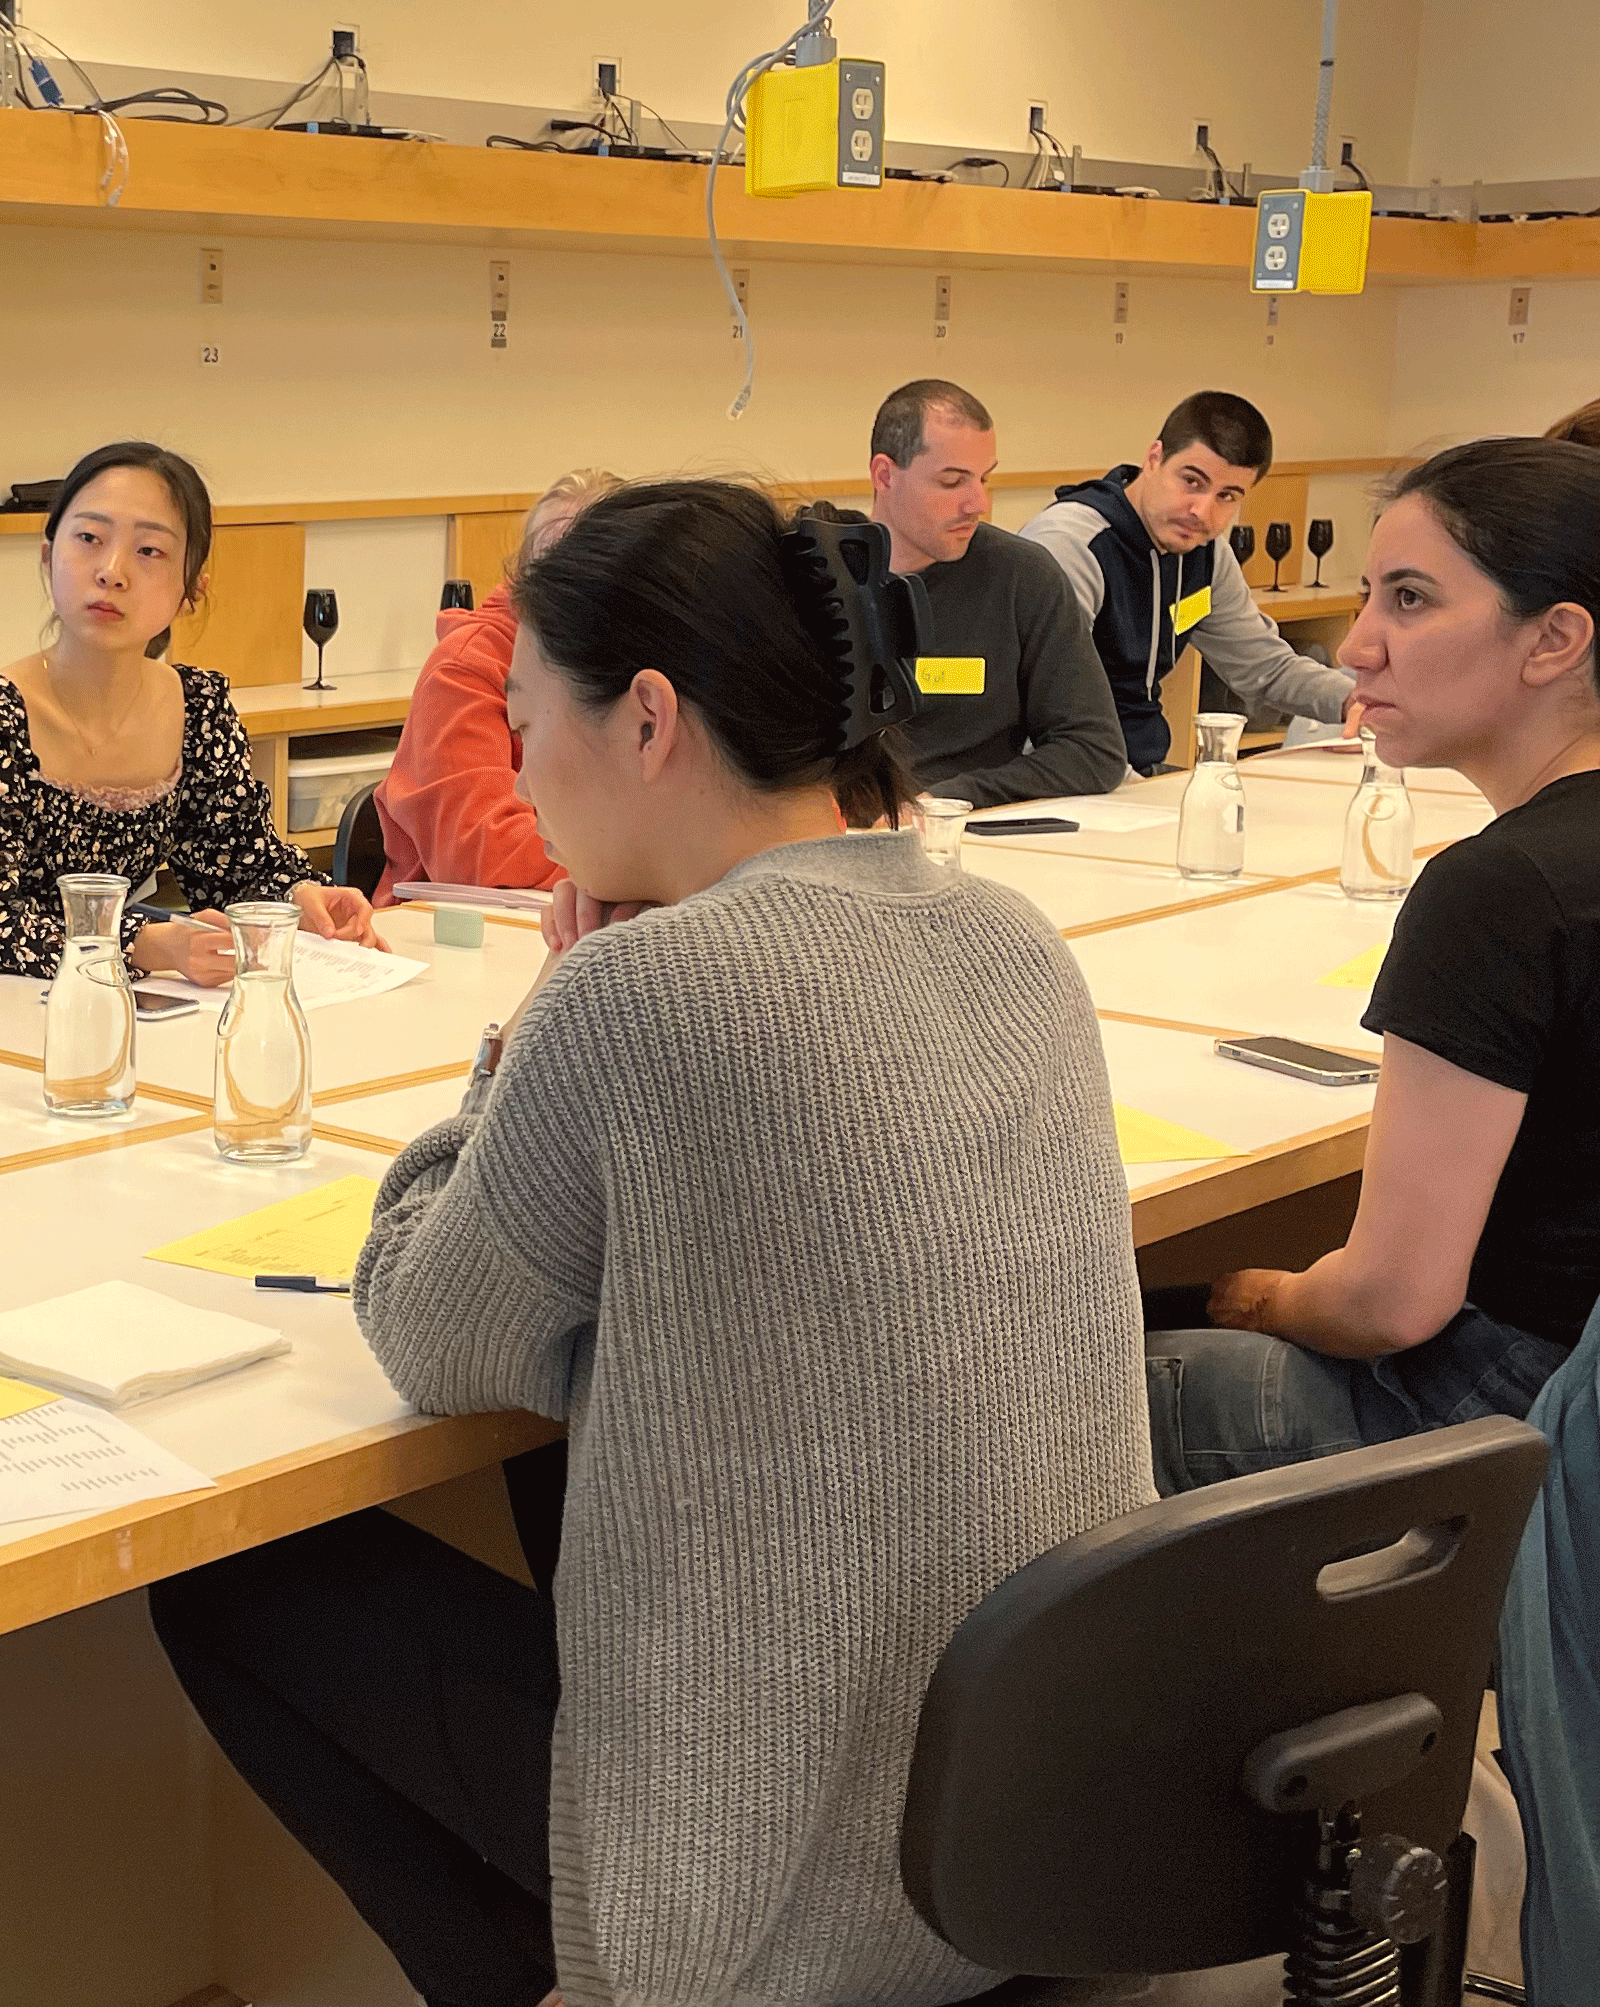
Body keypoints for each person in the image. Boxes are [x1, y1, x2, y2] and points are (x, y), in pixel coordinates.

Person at [148, 479, 1152, 2007]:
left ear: (650, 720)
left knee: (229, 1589)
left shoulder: (643, 996)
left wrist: (531, 1024)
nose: (522, 769)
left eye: (531, 718)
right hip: (1037, 1828)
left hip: (784, 1878)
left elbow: (426, 1322)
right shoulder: (1013, 938)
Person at [1147, 439, 1600, 1493]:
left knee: (1084, 1372)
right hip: (1570, 1391)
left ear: (1556, 640)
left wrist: (1254, 1294)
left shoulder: (1505, 890)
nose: (1356, 647)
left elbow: (1393, 1303)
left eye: (1408, 601)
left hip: (1503, 1422)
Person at [0, 441, 385, 981]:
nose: (112, 572)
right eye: (89, 539)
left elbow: (236, 861)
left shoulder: (197, 710)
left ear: (191, 591)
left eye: (149, 552)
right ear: (48, 558)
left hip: (125, 1004)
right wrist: (145, 945)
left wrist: (299, 896)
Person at [1021, 390, 1352, 770]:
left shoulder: (1205, 554)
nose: (1202, 511)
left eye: (1227, 495)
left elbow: (1266, 668)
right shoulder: (1073, 546)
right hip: (1060, 773)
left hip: (1138, 770)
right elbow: (1047, 704)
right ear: (1154, 458)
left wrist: (1355, 701)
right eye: (1192, 482)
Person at [863, 380, 1125, 806]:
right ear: (885, 475)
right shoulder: (816, 575)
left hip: (961, 830)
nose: (978, 503)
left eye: (984, 478)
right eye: (952, 482)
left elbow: (1093, 751)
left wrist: (948, 800)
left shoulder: (1024, 578)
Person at [372, 468, 616, 901]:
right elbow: (483, 852)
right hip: (451, 931)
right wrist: (637, 861)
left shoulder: (634, 659)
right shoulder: (465, 667)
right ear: (524, 576)